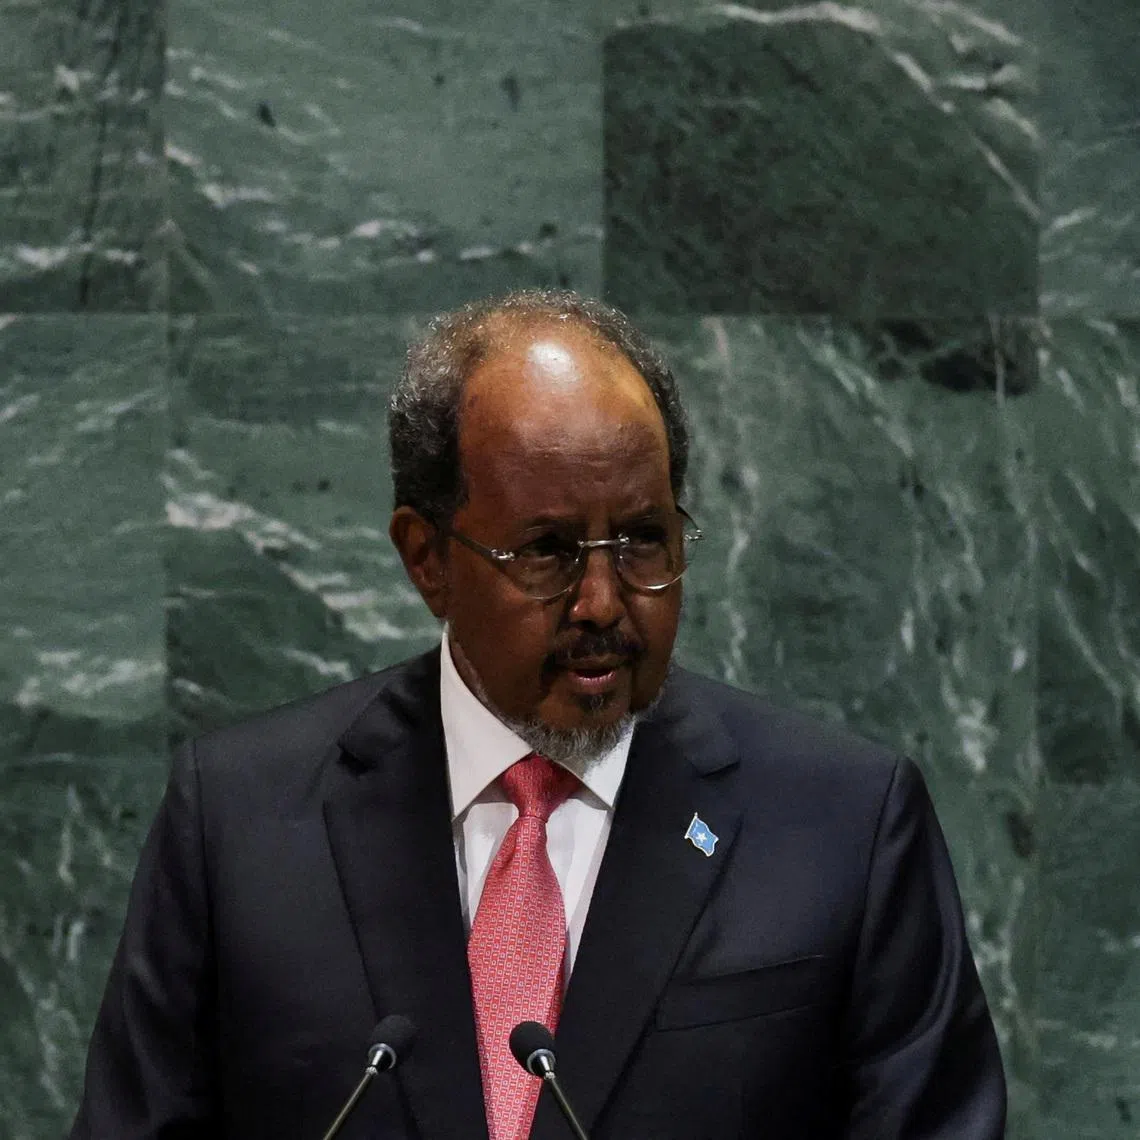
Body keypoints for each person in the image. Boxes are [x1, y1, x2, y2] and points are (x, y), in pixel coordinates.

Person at [70, 290, 1006, 1139]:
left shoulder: (844, 823)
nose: (603, 601)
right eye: (547, 551)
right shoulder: (240, 822)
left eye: (643, 540)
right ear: (426, 559)